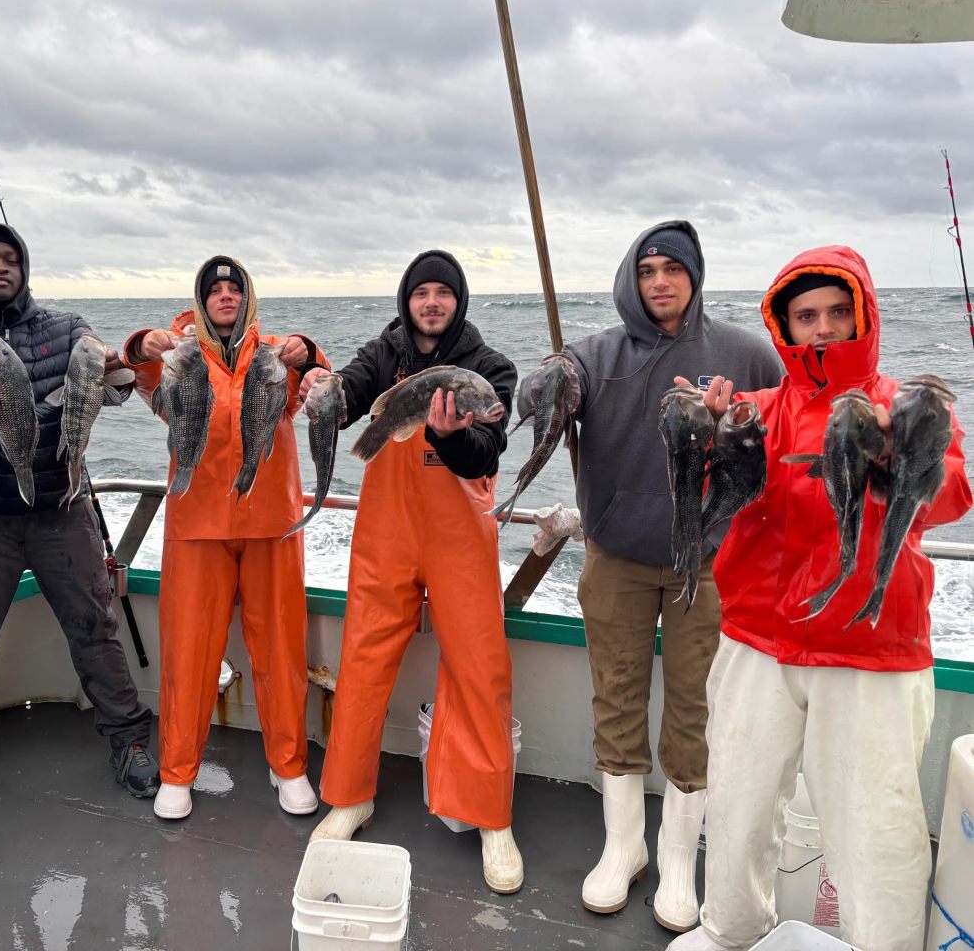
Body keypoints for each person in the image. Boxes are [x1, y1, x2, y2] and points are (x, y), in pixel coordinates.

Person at [668, 246, 971, 951]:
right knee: (738, 804)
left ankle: (883, 945)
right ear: (783, 326)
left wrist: (900, 455)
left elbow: (951, 493)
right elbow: (716, 491)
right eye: (805, 315)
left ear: (863, 317)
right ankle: (730, 929)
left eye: (839, 312)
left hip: (870, 651)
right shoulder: (756, 410)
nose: (823, 328)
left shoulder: (907, 407)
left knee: (875, 828)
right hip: (755, 641)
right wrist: (706, 436)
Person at [564, 221, 783, 929]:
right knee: (616, 697)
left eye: (673, 269)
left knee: (696, 708)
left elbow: (781, 451)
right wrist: (553, 381)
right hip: (616, 557)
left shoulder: (747, 355)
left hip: (710, 565)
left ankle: (677, 852)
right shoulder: (592, 355)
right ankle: (622, 845)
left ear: (694, 277)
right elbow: (542, 399)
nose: (659, 281)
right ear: (631, 275)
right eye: (648, 268)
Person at [303, 250, 524, 894]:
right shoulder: (383, 353)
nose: (432, 302)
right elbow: (348, 392)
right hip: (386, 532)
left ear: (459, 302)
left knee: (481, 668)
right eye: (421, 292)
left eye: (443, 293)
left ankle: (492, 817)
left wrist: (451, 436)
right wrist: (328, 393)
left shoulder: (492, 368)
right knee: (364, 657)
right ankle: (349, 796)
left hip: (460, 538)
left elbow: (489, 448)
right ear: (407, 300)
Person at [0, 223, 157, 830]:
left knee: (94, 628)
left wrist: (115, 367)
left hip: (62, 508)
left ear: (24, 268)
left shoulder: (67, 327)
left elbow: (118, 393)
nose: (0, 268)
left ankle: (130, 740)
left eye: (10, 260)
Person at [123, 256, 328, 820]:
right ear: (200, 300)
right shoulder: (178, 357)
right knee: (188, 653)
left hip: (272, 524)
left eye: (235, 288)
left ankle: (288, 765)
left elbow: (318, 384)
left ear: (248, 297)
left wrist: (305, 355)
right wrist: (144, 343)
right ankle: (177, 771)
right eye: (214, 289)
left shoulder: (274, 353)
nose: (225, 295)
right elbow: (131, 371)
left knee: (281, 649)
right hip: (196, 524)